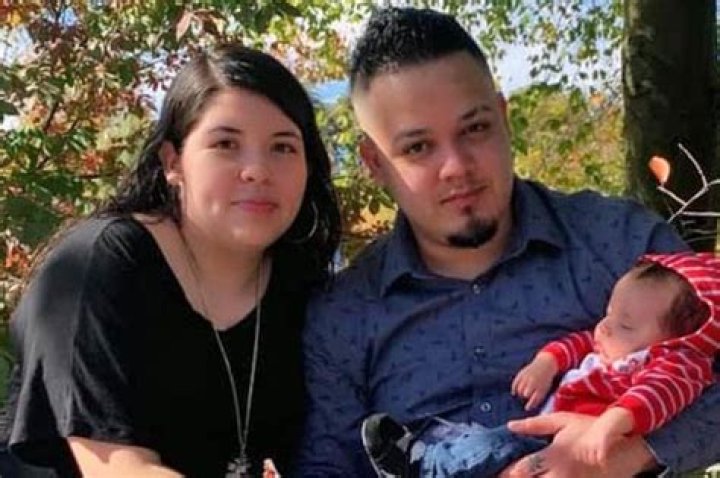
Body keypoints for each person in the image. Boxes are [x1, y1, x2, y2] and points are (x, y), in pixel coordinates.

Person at [297, 6, 720, 477]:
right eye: (418, 147)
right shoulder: (344, 315)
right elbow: (325, 467)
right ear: (375, 163)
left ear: (503, 118)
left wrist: (623, 456)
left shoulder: (620, 242)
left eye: (475, 128)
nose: (456, 166)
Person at [3, 44, 341, 477]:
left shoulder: (306, 291)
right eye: (226, 144)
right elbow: (120, 470)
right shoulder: (98, 264)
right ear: (172, 162)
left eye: (283, 147)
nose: (257, 170)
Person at [361, 252, 720, 477]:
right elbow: (578, 342)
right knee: (488, 442)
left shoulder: (676, 364)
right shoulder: (612, 343)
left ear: (678, 340)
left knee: (492, 446)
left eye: (625, 324)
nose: (604, 327)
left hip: (568, 448)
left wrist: (609, 426)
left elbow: (655, 395)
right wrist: (545, 363)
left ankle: (424, 467)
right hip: (548, 437)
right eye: (608, 312)